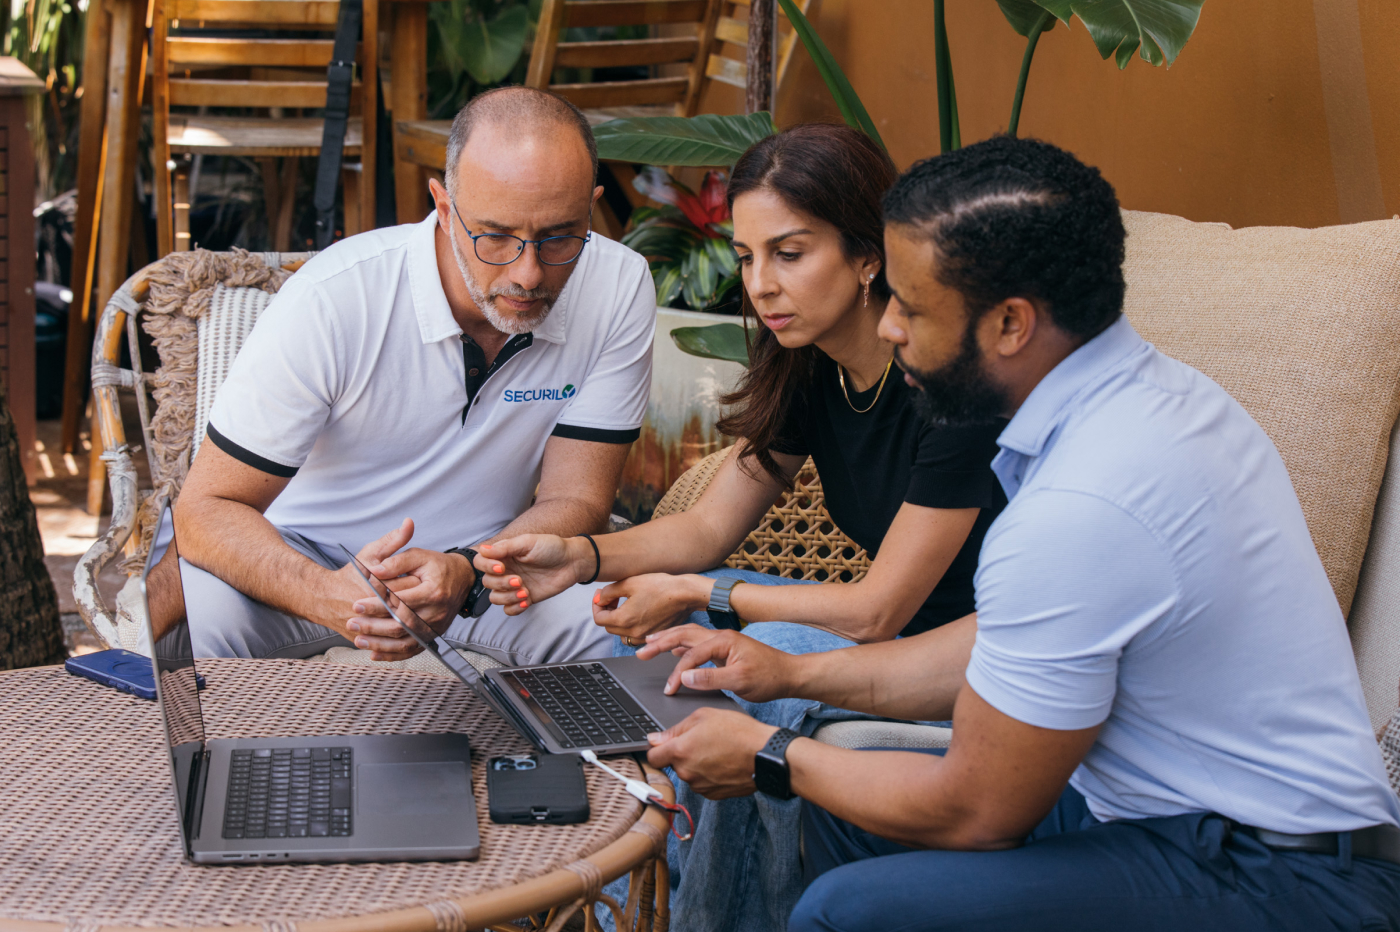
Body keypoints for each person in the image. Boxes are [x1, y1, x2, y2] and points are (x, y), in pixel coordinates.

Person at [635, 135, 1400, 931]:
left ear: (1009, 324)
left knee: (844, 910)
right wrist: (786, 676)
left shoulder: (1083, 502)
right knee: (840, 807)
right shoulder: (1148, 401)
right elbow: (992, 647)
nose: (889, 328)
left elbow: (976, 810)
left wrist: (770, 754)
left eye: (913, 306)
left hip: (1278, 876)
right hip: (1160, 812)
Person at [472, 124, 1007, 932]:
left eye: (790, 253)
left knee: (706, 664)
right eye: (749, 256)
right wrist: (579, 557)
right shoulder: (814, 365)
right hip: (878, 642)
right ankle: (627, 897)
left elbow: (876, 612)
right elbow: (707, 527)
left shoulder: (948, 386)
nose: (761, 285)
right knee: (657, 636)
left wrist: (702, 594)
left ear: (870, 255)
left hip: (964, 669)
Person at [165, 86, 655, 664]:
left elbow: (579, 498)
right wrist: (325, 593)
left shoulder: (618, 285)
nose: (528, 274)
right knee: (198, 625)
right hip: (303, 561)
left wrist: (467, 568)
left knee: (621, 631)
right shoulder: (336, 298)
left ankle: (568, 761)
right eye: (495, 235)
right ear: (444, 209)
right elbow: (203, 510)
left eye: (559, 237)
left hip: (492, 566)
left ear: (592, 206)